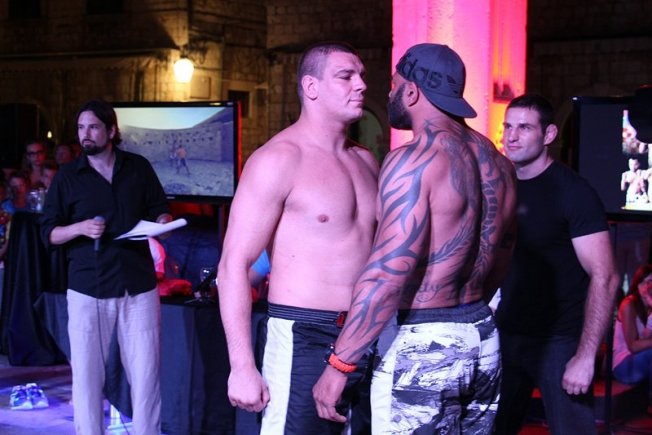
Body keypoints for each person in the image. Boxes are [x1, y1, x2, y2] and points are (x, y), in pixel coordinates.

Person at [313, 43, 517, 433]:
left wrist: (340, 364)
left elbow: (387, 275)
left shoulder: (414, 161)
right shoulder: (498, 164)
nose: (389, 92)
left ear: (411, 92)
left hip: (425, 342)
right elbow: (500, 259)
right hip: (482, 335)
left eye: (394, 85)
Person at [217, 41, 379, 434]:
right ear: (311, 87)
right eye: (346, 76)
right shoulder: (279, 159)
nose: (360, 85)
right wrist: (241, 366)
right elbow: (233, 265)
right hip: (304, 335)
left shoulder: (366, 161)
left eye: (361, 76)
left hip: (365, 334)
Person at [40, 99, 172, 435]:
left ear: (111, 131)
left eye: (93, 127)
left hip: (137, 285)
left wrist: (163, 222)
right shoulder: (68, 177)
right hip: (89, 288)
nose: (85, 134)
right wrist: (80, 228)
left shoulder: (138, 167)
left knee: (146, 378)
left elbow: (159, 208)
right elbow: (49, 233)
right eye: (81, 127)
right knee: (86, 379)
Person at [494, 93, 621, 434]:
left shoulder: (573, 192)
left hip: (560, 340)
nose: (512, 136)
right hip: (508, 333)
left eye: (524, 127)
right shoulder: (502, 186)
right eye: (508, 127)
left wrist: (586, 356)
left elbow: (606, 275)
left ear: (549, 134)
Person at [612, 264, 652, 404]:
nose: (647, 287)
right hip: (624, 365)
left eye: (651, 282)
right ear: (637, 285)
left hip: (642, 361)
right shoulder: (628, 304)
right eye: (644, 282)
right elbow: (633, 346)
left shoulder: (650, 307)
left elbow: (647, 339)